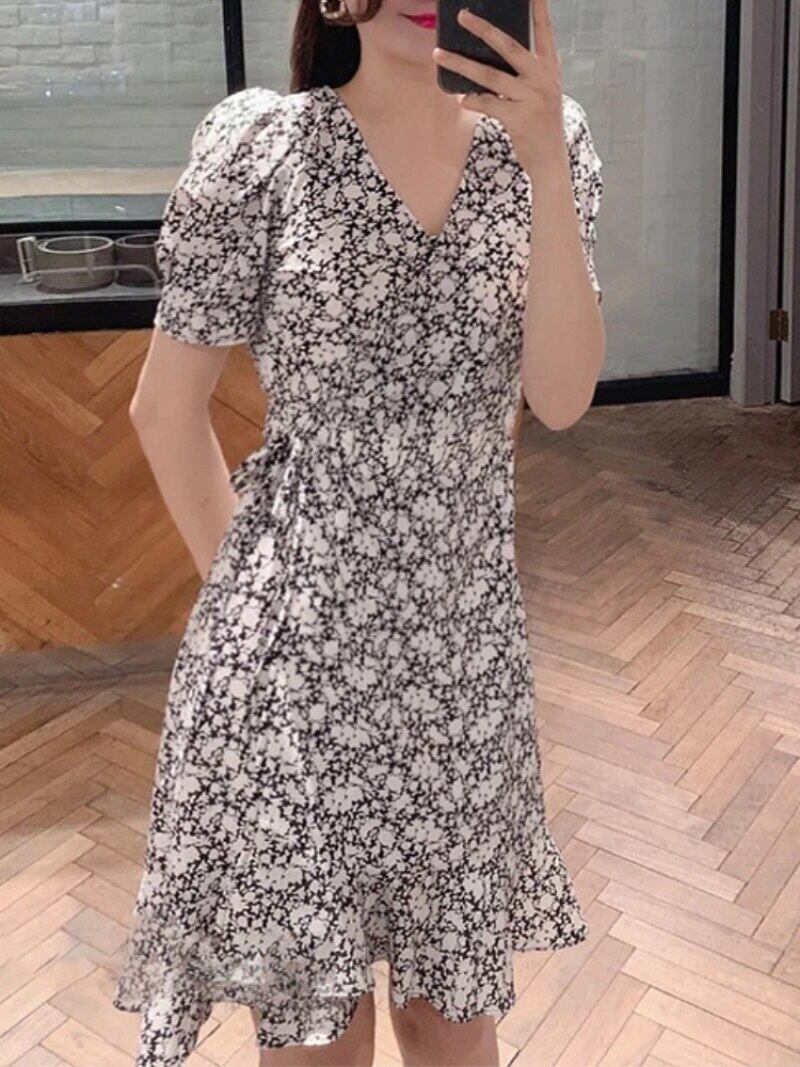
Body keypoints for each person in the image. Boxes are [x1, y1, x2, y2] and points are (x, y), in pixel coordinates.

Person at [112, 0, 606, 1063]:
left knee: (449, 1022)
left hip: (458, 674)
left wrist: (543, 164)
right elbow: (164, 410)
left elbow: (562, 397)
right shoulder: (262, 152)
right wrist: (255, 617)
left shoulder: (546, 150)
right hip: (296, 678)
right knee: (316, 1034)